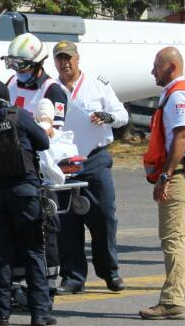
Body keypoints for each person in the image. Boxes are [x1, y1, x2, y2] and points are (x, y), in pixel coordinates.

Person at [0, 80, 53, 326]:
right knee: (33, 251)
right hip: (24, 192)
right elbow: (43, 143)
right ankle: (40, 312)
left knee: (1, 254)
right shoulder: (19, 115)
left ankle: (1, 312)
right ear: (5, 97)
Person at [51, 40, 129, 295]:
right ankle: (73, 277)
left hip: (94, 159)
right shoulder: (51, 90)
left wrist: (107, 117)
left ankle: (109, 271)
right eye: (59, 59)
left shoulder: (97, 87)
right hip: (64, 163)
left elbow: (122, 116)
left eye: (68, 58)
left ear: (77, 58)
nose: (64, 63)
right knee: (67, 222)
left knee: (104, 216)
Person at [140, 46, 185, 320]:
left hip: (179, 173)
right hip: (183, 172)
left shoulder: (178, 94)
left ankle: (171, 301)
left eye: (156, 66)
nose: (152, 71)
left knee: (173, 238)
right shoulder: (176, 93)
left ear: (170, 67)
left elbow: (181, 137)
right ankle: (184, 298)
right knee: (182, 238)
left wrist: (165, 176)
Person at [0, 32, 68, 291]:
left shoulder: (52, 91)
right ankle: (17, 285)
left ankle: (46, 285)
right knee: (14, 228)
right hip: (12, 165)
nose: (17, 70)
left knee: (44, 227)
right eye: (13, 64)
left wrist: (42, 125)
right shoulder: (11, 84)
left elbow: (53, 133)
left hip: (39, 169)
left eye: (22, 65)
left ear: (38, 64)